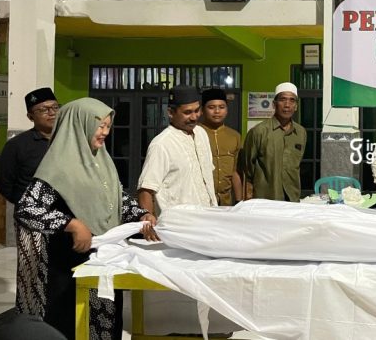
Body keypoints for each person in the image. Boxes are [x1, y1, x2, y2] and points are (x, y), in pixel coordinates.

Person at [15, 98, 158, 340]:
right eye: (99, 126)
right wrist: (71, 224)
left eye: (108, 126)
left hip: (103, 259)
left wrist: (140, 214)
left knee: (104, 322)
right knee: (71, 324)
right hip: (67, 267)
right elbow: (27, 209)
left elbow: (117, 198)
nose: (105, 132)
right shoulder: (57, 168)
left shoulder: (101, 161)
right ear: (78, 126)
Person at [0, 87, 59, 316]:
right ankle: (30, 321)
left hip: (65, 220)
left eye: (54, 107)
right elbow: (4, 182)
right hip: (31, 222)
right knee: (31, 275)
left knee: (58, 274)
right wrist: (27, 205)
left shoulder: (68, 142)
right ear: (30, 116)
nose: (51, 113)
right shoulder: (18, 145)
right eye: (43, 109)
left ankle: (56, 318)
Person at [138, 85, 217, 213]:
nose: (194, 117)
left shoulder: (201, 133)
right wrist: (147, 222)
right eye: (187, 112)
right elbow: (146, 190)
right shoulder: (162, 144)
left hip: (208, 219)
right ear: (170, 113)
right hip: (178, 226)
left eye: (197, 110)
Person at [242, 82, 306, 201]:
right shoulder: (259, 131)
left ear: (296, 106)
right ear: (274, 104)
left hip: (292, 197)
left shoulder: (301, 132)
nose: (287, 105)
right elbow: (247, 168)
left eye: (292, 100)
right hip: (265, 198)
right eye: (283, 100)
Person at [200, 88, 243, 206]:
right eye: (211, 107)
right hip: (202, 201)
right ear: (202, 110)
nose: (217, 111)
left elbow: (234, 172)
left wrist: (239, 201)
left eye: (221, 107)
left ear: (227, 110)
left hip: (226, 202)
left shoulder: (234, 136)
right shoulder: (195, 133)